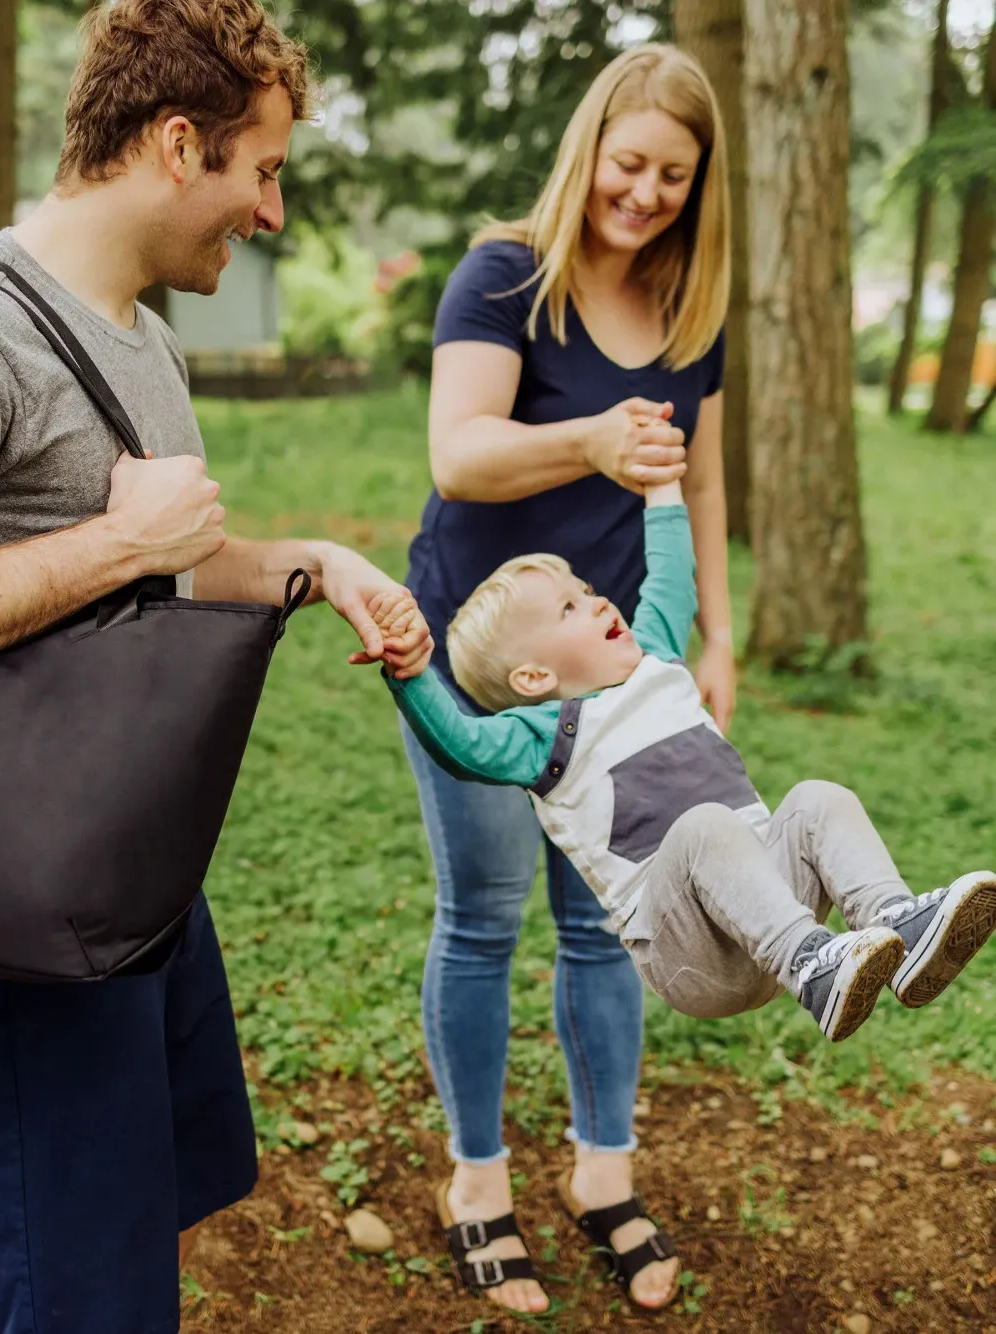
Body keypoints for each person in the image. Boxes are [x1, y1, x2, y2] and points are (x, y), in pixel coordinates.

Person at [0, 4, 430, 1331]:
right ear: (176, 142)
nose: (268, 212)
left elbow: (166, 563)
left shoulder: (133, 331)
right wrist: (112, 541)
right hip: (18, 904)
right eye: (260, 170)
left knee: (142, 1222)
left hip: (123, 862)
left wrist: (313, 562)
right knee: (79, 1290)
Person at [401, 42, 732, 1313]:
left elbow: (698, 477)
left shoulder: (685, 305)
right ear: (588, 146)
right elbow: (460, 452)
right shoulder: (506, 276)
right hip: (485, 660)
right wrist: (590, 439)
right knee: (482, 916)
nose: (642, 194)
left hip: (621, 669)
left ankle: (604, 1172)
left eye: (671, 177)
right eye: (628, 163)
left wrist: (712, 637)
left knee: (604, 918)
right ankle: (475, 1182)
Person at [382, 484, 996, 1051]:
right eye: (569, 608)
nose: (595, 601)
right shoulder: (541, 738)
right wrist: (407, 672)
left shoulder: (656, 658)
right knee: (705, 825)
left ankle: (895, 924)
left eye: (587, 590)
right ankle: (815, 964)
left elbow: (672, 575)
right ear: (535, 677)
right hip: (692, 956)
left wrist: (662, 486)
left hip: (771, 913)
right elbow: (459, 743)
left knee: (817, 797)